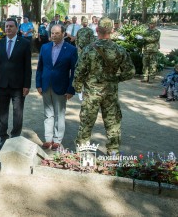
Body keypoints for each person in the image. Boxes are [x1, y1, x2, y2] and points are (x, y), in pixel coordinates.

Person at [74, 17, 135, 155]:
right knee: (113, 122)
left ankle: (82, 154)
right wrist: (116, 79)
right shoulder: (120, 50)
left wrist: (78, 88)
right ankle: (113, 152)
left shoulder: (89, 49)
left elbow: (79, 71)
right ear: (112, 30)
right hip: (110, 92)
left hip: (91, 92)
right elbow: (130, 72)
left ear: (97, 30)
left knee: (86, 123)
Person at [36, 24, 77, 151]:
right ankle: (48, 139)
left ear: (63, 34)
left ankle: (57, 140)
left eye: (57, 33)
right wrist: (38, 84)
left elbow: (74, 71)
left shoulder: (71, 49)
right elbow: (40, 67)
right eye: (52, 33)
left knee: (59, 114)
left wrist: (71, 89)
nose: (54, 35)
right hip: (46, 84)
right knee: (48, 114)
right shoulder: (45, 47)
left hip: (61, 86)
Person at [0, 18, 32, 150]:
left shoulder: (25, 44)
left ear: (16, 28)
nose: (8, 28)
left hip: (18, 86)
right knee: (2, 113)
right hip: (2, 85)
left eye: (10, 26)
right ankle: (3, 138)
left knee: (18, 113)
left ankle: (15, 138)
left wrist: (27, 85)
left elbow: (28, 66)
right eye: (6, 26)